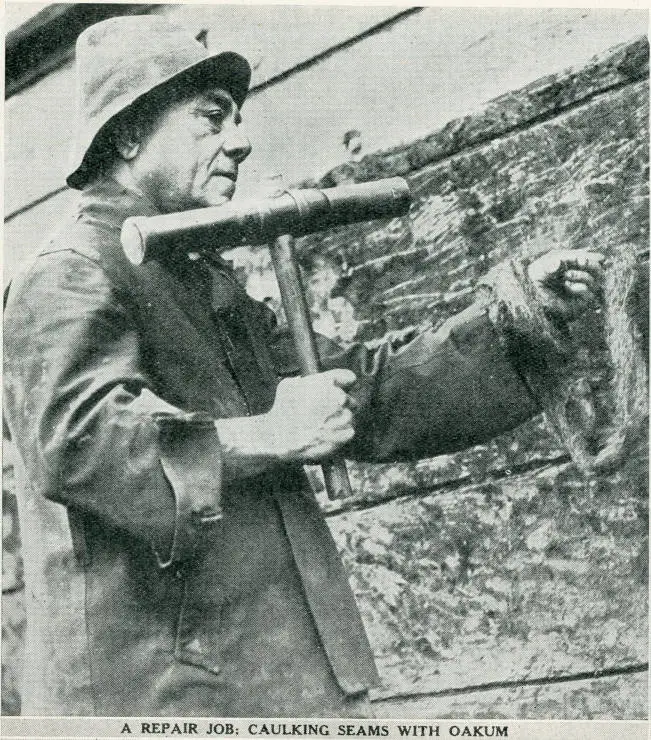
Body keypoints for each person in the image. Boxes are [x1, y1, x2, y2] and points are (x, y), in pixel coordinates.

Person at [3, 16, 605, 717]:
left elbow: (356, 391)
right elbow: (80, 444)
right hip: (149, 698)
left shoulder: (195, 279)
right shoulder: (68, 273)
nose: (241, 139)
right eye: (210, 118)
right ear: (129, 134)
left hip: (258, 680)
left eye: (238, 118)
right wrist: (267, 435)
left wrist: (516, 319)